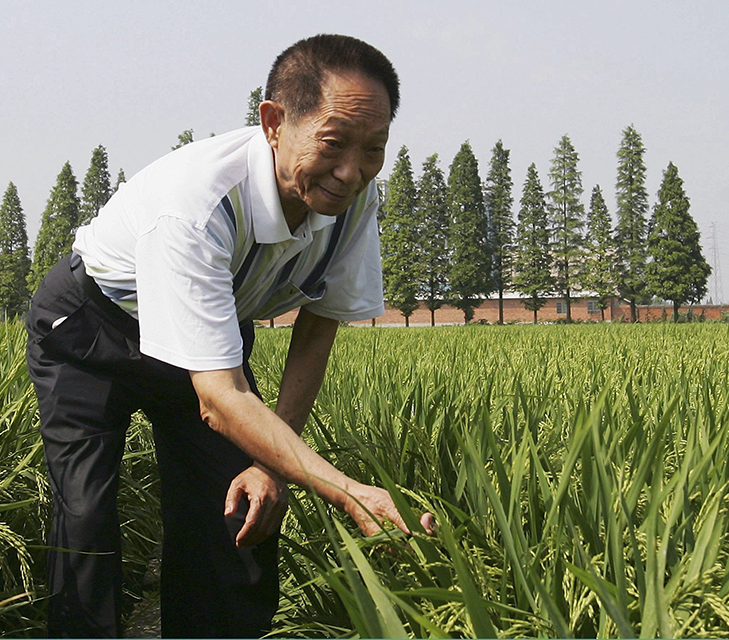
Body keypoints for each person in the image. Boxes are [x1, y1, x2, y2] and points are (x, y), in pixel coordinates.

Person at [26, 33, 434, 638]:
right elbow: (220, 399)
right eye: (333, 144)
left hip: (211, 331)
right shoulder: (196, 202)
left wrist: (273, 466)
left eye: (373, 149)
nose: (351, 172)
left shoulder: (353, 197)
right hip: (93, 330)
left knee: (241, 509)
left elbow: (318, 327)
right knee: (86, 516)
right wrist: (345, 490)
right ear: (273, 122)